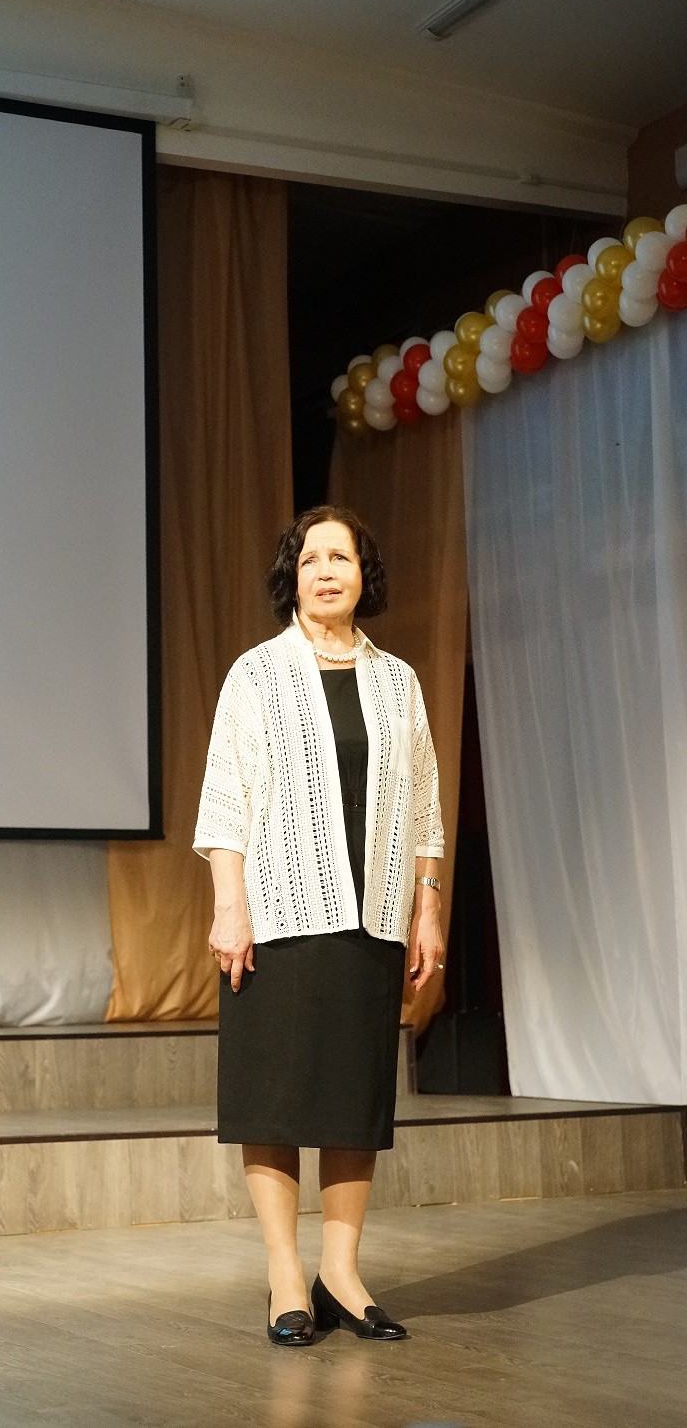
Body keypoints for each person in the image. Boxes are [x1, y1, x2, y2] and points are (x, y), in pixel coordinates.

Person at [194, 505, 445, 1346]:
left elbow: (424, 805)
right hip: (277, 918)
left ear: (364, 574)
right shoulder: (257, 674)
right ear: (292, 578)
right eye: (311, 560)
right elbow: (224, 799)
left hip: (371, 919)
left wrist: (428, 905)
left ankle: (340, 1274)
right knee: (272, 1100)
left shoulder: (396, 681)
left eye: (341, 557)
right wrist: (230, 906)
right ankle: (283, 1278)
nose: (327, 571)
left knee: (351, 1100)